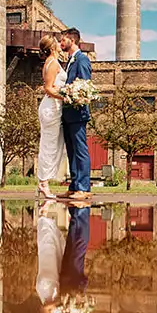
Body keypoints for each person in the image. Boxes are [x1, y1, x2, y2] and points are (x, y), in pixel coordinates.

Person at [59, 27, 93, 201]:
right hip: (67, 114)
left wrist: (73, 95)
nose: (60, 43)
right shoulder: (70, 61)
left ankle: (84, 188)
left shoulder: (82, 60)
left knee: (80, 151)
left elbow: (85, 87)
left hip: (77, 114)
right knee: (71, 151)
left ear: (72, 40)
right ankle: (74, 186)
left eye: (62, 40)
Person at [36, 33, 66, 202]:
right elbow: (48, 88)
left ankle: (44, 180)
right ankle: (43, 183)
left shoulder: (51, 63)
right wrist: (66, 96)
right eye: (58, 44)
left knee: (54, 145)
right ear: (53, 47)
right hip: (51, 108)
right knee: (49, 145)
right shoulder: (53, 63)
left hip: (53, 107)